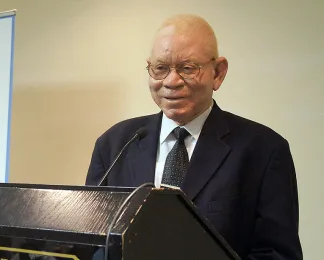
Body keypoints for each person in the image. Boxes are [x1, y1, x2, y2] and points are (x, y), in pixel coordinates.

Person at [85, 14, 302, 259]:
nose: (171, 81)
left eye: (187, 68)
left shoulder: (264, 150)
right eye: (160, 68)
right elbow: (92, 244)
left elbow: (278, 255)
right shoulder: (114, 144)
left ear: (218, 73)